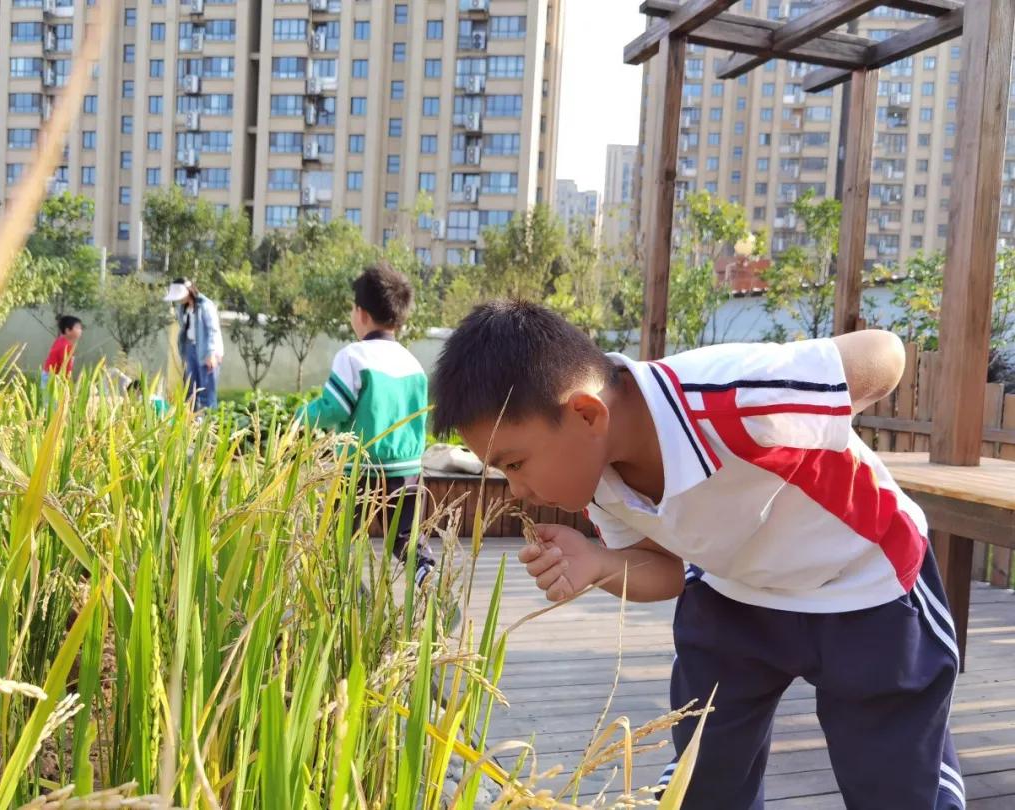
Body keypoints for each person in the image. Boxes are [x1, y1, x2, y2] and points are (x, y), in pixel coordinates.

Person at [430, 300, 963, 810]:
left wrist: (818, 401)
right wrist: (598, 563)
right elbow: (665, 569)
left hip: (868, 586)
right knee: (704, 780)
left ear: (586, 415)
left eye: (515, 463)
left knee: (896, 787)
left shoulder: (734, 396)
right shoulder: (598, 477)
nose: (516, 490)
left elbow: (885, 351)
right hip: (732, 594)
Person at [298, 261, 434, 586]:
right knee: (404, 538)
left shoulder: (353, 356)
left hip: (360, 470)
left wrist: (300, 418)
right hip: (407, 471)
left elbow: (335, 407)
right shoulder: (412, 363)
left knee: (341, 538)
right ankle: (430, 580)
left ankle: (352, 598)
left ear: (360, 313)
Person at [163, 278, 223, 410]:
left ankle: (208, 419)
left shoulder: (205, 306)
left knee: (206, 388)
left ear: (189, 292)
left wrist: (211, 353)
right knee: (191, 386)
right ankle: (192, 418)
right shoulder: (183, 308)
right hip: (191, 348)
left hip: (206, 350)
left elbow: (212, 330)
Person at [41, 315, 83, 387]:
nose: (80, 330)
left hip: (48, 375)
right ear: (68, 331)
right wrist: (68, 383)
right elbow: (65, 366)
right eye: (77, 328)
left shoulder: (60, 341)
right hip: (54, 377)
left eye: (80, 328)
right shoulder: (66, 346)